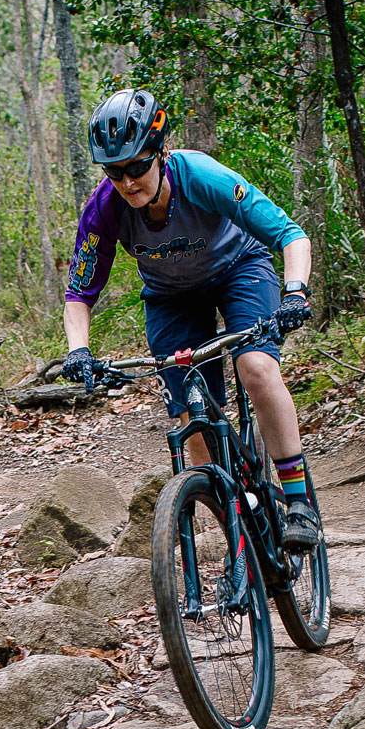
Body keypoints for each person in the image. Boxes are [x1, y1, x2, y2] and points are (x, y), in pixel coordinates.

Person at [60, 88, 321, 549]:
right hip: (171, 297)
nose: (126, 181)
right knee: (189, 420)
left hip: (239, 269)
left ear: (160, 152)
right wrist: (78, 350)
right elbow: (80, 292)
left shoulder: (201, 176)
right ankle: (239, 527)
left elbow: (290, 235)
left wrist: (295, 293)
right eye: (114, 171)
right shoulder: (104, 209)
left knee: (256, 368)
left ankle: (298, 500)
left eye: (137, 166)